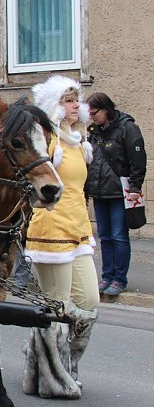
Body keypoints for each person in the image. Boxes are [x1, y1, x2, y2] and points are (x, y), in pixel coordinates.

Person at [22, 76, 98, 398]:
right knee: (56, 308)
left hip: (79, 230)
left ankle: (56, 363)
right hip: (50, 230)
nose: (75, 106)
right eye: (68, 100)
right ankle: (52, 378)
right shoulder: (48, 141)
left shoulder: (79, 141)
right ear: (55, 106)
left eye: (76, 100)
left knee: (89, 304)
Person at [85, 92, 147, 296]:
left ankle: (119, 279)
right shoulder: (94, 131)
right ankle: (107, 276)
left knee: (119, 236)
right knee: (104, 236)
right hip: (100, 192)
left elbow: (138, 160)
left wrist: (135, 188)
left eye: (95, 113)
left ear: (106, 109)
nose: (92, 117)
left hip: (120, 193)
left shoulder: (127, 128)